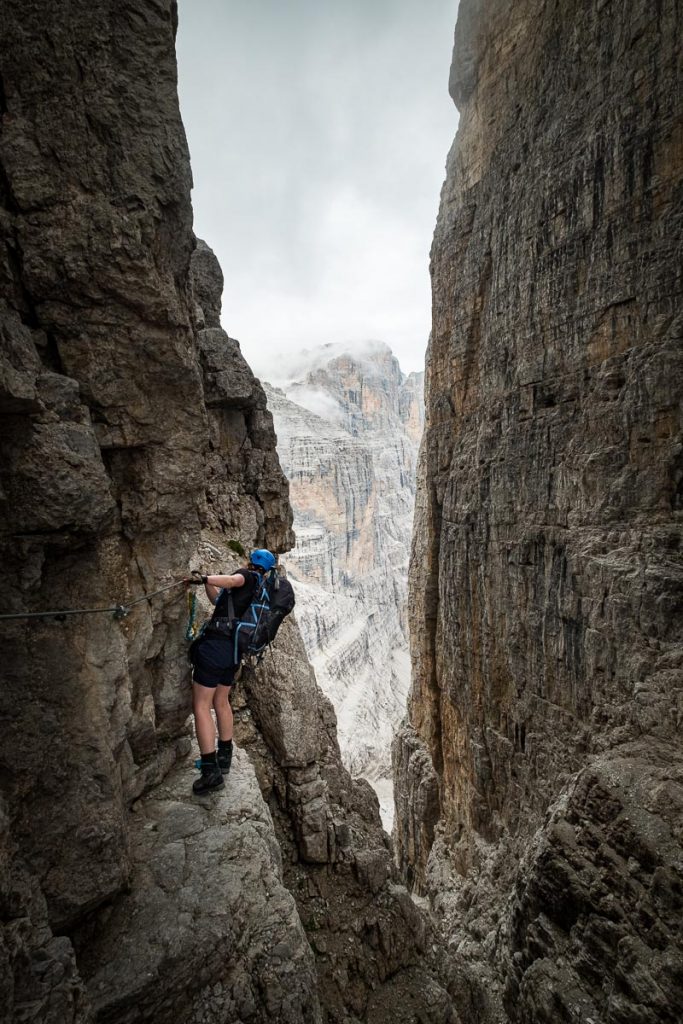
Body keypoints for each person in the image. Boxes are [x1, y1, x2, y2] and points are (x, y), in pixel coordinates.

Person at [189, 548, 277, 794]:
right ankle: (225, 758)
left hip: (216, 647)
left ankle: (210, 771)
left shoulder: (247, 577)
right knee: (222, 701)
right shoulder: (259, 587)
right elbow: (218, 600)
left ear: (251, 562)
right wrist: (207, 583)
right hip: (234, 652)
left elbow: (232, 580)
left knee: (201, 706)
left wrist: (205, 579)